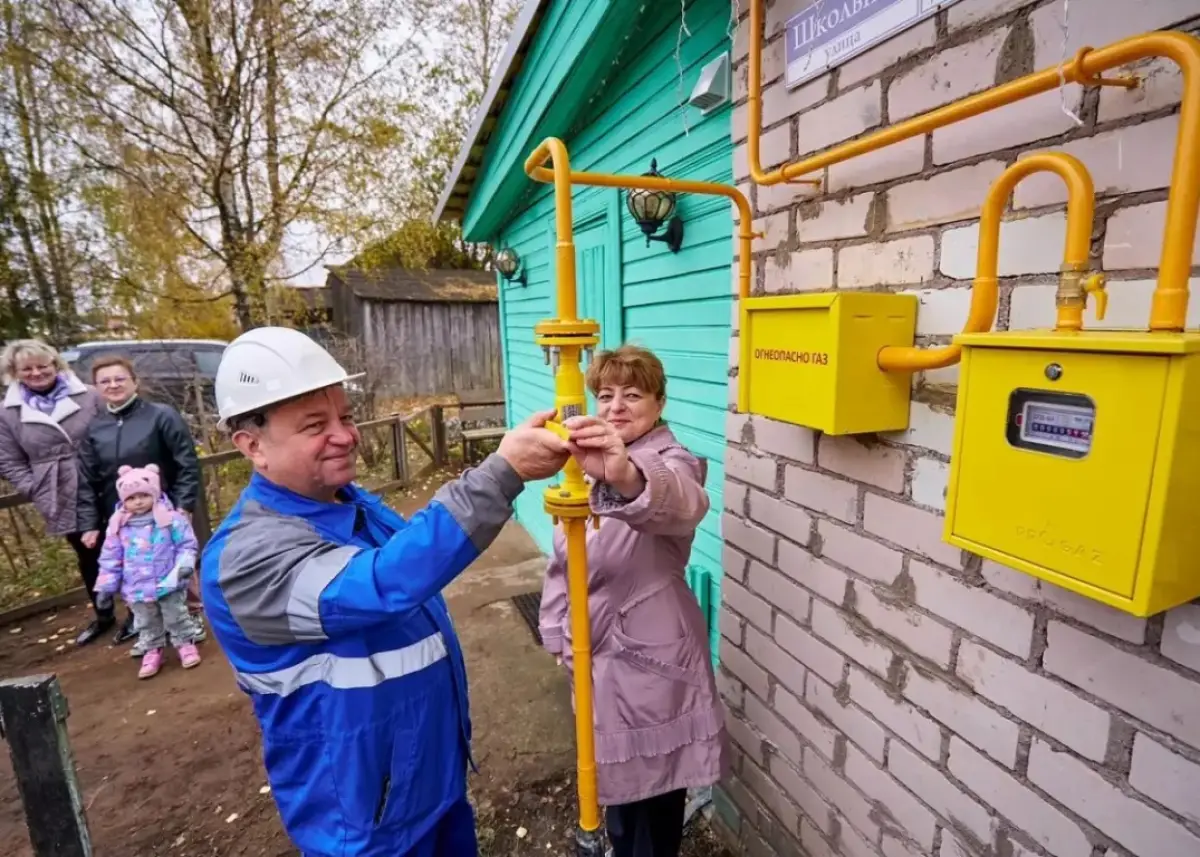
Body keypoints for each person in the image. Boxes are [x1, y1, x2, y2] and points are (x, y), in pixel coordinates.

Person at [201, 327, 573, 857]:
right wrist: (502, 473)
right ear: (252, 445)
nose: (346, 435)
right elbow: (387, 581)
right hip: (363, 824)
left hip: (428, 786)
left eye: (345, 417)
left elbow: (423, 543)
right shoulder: (244, 560)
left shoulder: (346, 502)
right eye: (315, 425)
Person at [538, 344, 730, 857]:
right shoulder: (582, 469)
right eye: (605, 394)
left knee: (655, 805)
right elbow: (565, 562)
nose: (616, 405)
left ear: (659, 403)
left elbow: (684, 503)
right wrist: (559, 631)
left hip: (651, 662)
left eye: (632, 393)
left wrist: (624, 474)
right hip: (596, 659)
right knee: (617, 803)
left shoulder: (670, 462)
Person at [77, 354, 203, 649]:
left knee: (177, 561)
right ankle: (150, 626)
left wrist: (184, 504)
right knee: (135, 566)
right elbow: (87, 478)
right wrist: (89, 523)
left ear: (134, 381)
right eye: (105, 381)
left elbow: (186, 462)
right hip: (123, 513)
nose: (113, 385)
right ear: (96, 387)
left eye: (120, 378)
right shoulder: (95, 428)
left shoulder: (161, 415)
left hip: (165, 507)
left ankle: (191, 614)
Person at [0, 339, 105, 646]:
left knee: (127, 545)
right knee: (88, 555)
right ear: (15, 373)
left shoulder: (89, 395)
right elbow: (8, 460)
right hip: (58, 488)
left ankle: (143, 614)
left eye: (42, 365)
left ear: (55, 365)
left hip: (100, 479)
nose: (36, 373)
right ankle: (104, 614)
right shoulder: (7, 413)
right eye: (27, 368)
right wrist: (34, 487)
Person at [94, 464, 202, 678]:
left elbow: (186, 545)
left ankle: (185, 644)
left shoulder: (171, 519)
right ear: (123, 500)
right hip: (136, 587)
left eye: (144, 495)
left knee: (176, 615)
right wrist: (105, 588)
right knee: (145, 621)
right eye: (132, 498)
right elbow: (110, 557)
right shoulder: (118, 526)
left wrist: (185, 566)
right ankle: (153, 650)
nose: (138, 501)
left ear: (155, 493)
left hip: (168, 581)